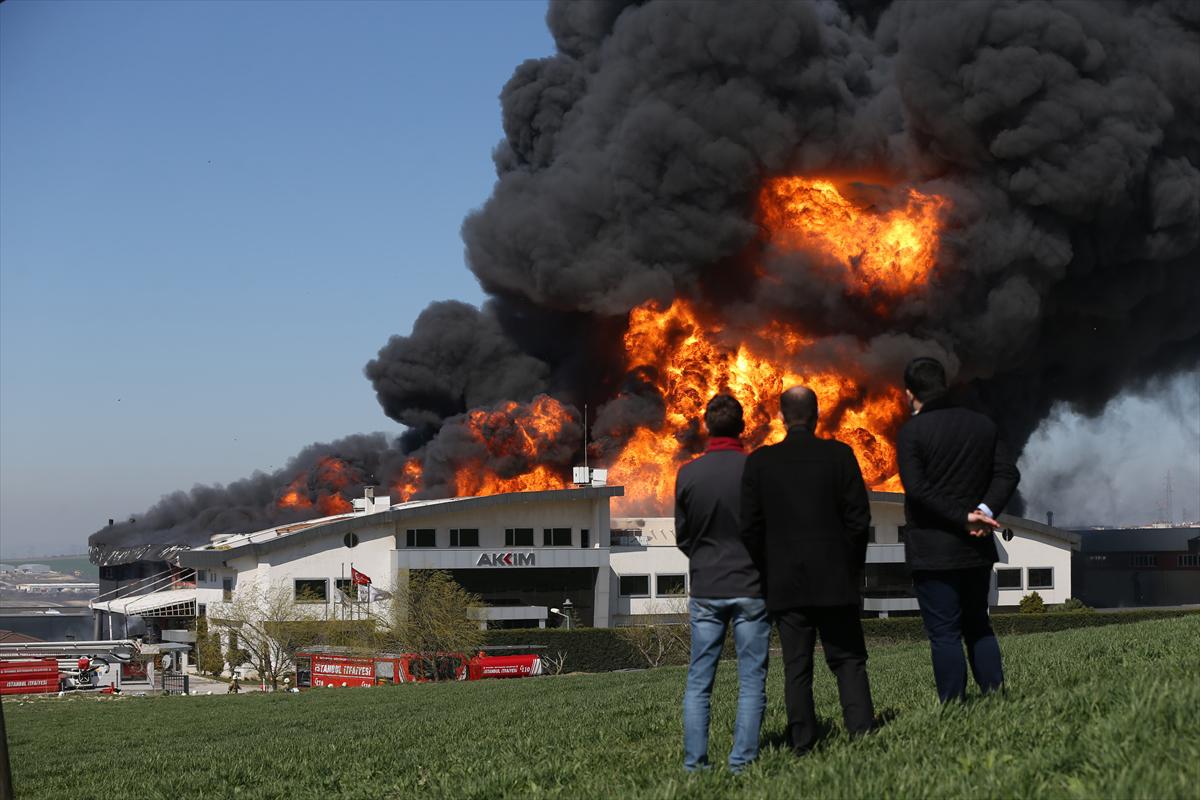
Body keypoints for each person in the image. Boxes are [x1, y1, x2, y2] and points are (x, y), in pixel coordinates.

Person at [741, 386, 875, 755]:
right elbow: (859, 521)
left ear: (782, 417)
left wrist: (767, 569)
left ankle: (803, 742)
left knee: (796, 666)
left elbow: (749, 528)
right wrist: (851, 567)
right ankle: (862, 733)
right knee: (848, 660)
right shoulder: (840, 456)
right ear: (817, 415)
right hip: (836, 581)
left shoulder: (760, 462)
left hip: (785, 585)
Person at [895, 357, 1020, 703]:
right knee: (978, 624)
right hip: (975, 548)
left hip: (933, 551)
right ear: (944, 385)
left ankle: (954, 705)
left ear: (909, 394)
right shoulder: (982, 425)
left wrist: (963, 517)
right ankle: (995, 697)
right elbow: (1008, 474)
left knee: (945, 633)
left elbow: (917, 490)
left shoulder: (911, 433)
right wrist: (983, 511)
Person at [675, 394, 769, 773]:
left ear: (707, 427)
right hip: (751, 587)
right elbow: (767, 528)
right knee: (751, 681)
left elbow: (683, 535)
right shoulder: (757, 470)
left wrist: (703, 560)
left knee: (699, 680)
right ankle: (742, 763)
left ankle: (695, 766)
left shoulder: (688, 474)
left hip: (706, 588)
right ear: (742, 427)